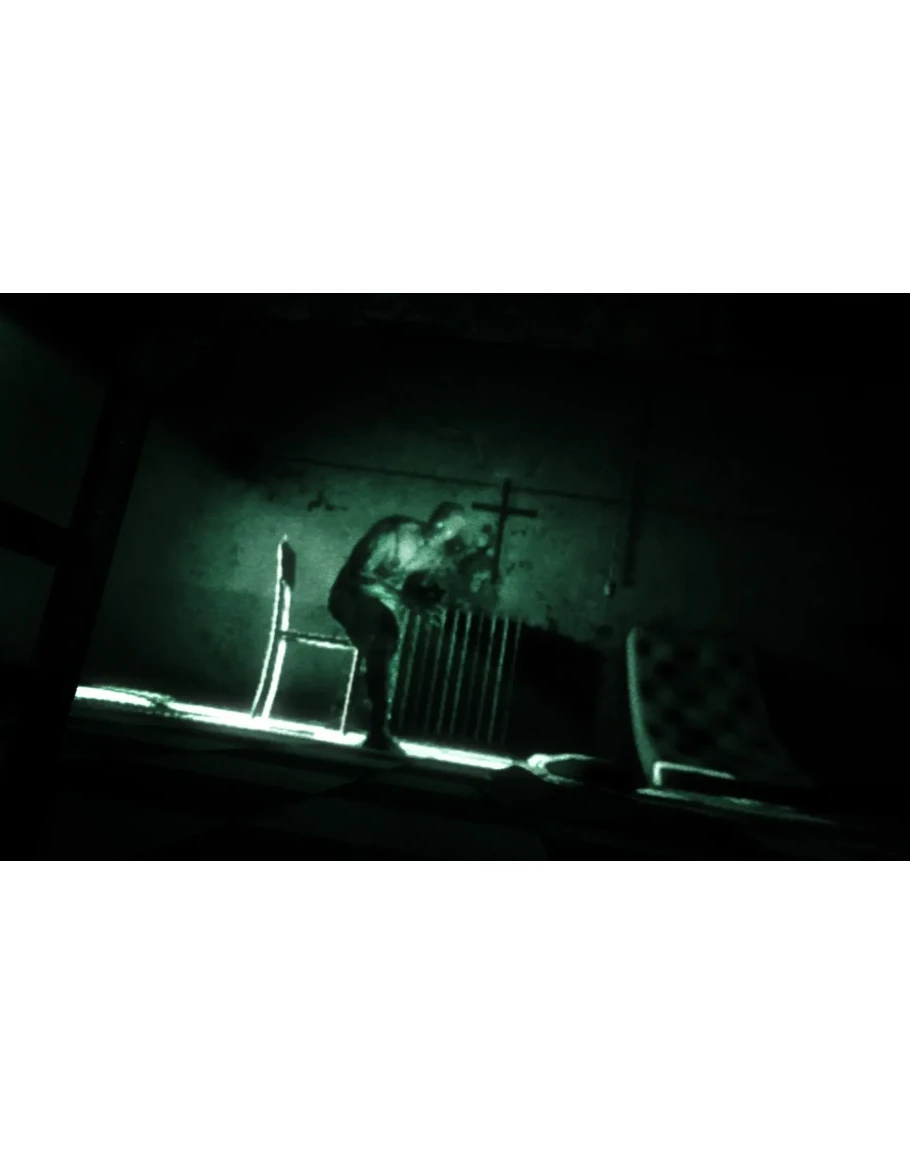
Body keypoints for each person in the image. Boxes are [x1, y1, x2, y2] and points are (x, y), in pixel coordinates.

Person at [328, 502, 468, 751]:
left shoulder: (435, 555)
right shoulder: (394, 532)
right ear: (436, 520)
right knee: (381, 640)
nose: (447, 532)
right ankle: (373, 724)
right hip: (350, 597)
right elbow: (360, 573)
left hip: (383, 608)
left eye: (453, 530)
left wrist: (425, 602)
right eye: (447, 524)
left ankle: (372, 723)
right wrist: (403, 598)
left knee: (385, 646)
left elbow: (412, 589)